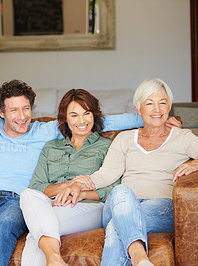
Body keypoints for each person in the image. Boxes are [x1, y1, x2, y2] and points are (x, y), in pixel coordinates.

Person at [0, 79, 180, 266]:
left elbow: (100, 121)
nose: (22, 116)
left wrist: (155, 118)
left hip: (17, 200)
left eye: (26, 109)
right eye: (13, 110)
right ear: (1, 112)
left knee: (4, 226)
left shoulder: (45, 131)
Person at [59, 78, 198, 266]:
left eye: (162, 103)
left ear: (169, 107)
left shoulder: (183, 138)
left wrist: (195, 163)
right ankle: (139, 258)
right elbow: (105, 174)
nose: (157, 109)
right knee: (121, 191)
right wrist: (77, 184)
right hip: (121, 203)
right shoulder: (124, 139)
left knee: (117, 227)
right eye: (149, 103)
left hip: (162, 207)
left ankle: (138, 257)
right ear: (138, 109)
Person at [19, 89, 120, 266]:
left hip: (88, 207)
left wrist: (81, 192)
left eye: (87, 113)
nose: (82, 121)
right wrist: (70, 185)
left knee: (37, 232)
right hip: (51, 205)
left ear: (94, 115)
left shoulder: (107, 146)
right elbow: (37, 186)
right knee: (27, 194)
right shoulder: (51, 147)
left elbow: (114, 189)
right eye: (74, 115)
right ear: (65, 118)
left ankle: (54, 260)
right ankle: (55, 260)